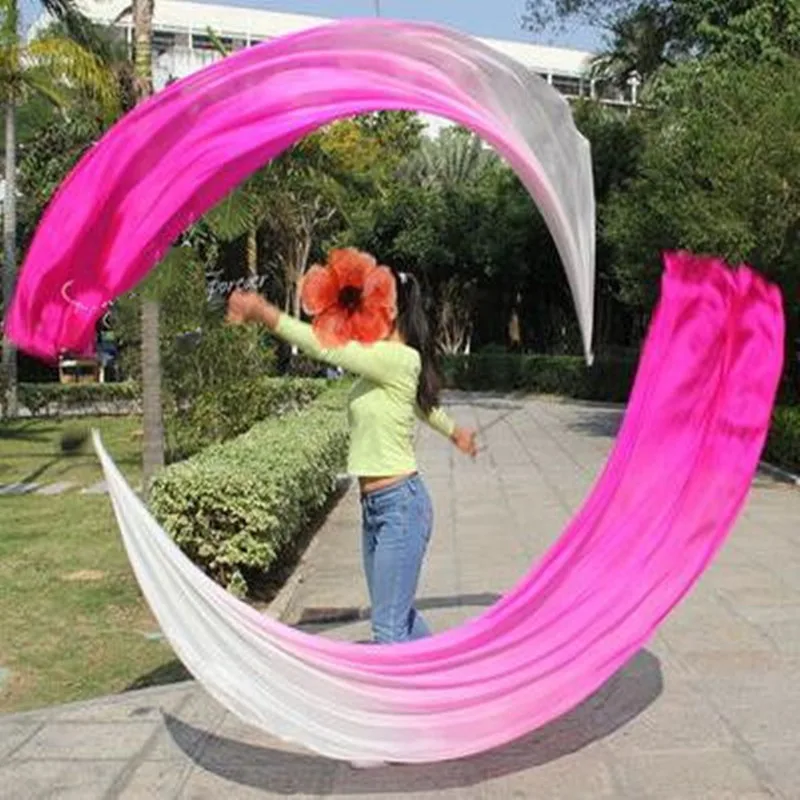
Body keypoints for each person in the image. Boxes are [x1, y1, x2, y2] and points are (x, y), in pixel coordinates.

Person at [226, 269, 477, 645]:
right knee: (397, 619)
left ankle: (404, 701)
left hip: (400, 509)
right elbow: (423, 407)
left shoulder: (399, 359)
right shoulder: (387, 363)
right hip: (376, 508)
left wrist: (264, 312)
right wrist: (456, 432)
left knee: (388, 630)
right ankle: (445, 676)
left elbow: (325, 345)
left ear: (392, 308)